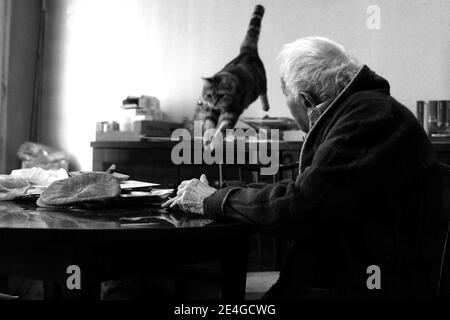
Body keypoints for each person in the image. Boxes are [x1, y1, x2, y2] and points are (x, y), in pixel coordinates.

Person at [162, 36, 442, 299]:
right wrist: (220, 193)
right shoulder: (368, 111)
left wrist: (214, 200)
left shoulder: (367, 119)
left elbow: (302, 207)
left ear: (306, 100)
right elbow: (311, 191)